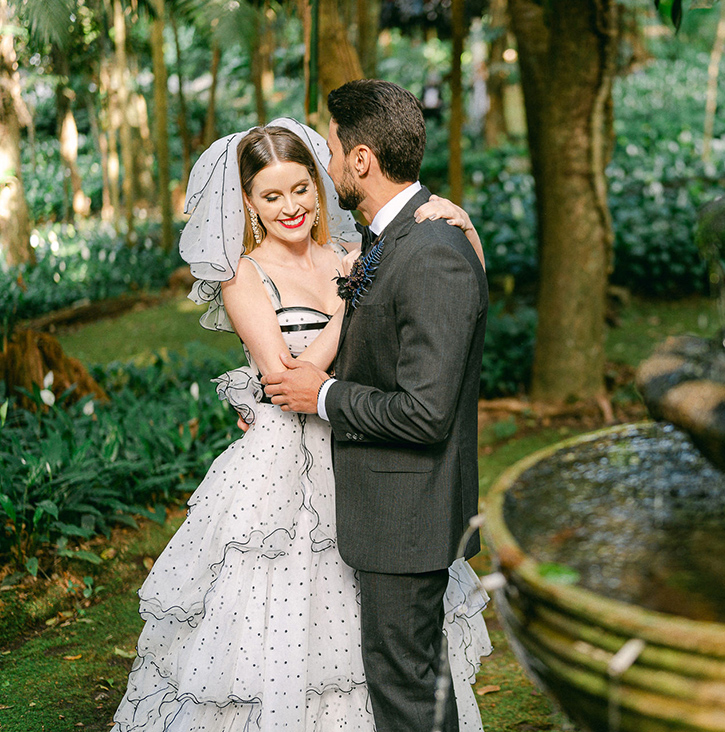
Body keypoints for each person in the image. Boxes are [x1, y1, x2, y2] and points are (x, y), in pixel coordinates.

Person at [112, 118, 490, 731]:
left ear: (320, 184)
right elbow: (285, 379)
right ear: (247, 203)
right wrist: (352, 302)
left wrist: (462, 229)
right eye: (271, 195)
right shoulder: (244, 274)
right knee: (289, 626)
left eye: (301, 188)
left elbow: (430, 310)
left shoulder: (354, 252)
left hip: (366, 450)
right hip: (286, 469)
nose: (291, 207)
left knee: (394, 636)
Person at [262, 81, 487, 732]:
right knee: (412, 685)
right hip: (394, 513)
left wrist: (323, 395)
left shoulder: (431, 254)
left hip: (406, 515)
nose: (326, 166)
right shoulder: (396, 240)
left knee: (407, 693)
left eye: (332, 150)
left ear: (361, 159)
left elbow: (425, 411)